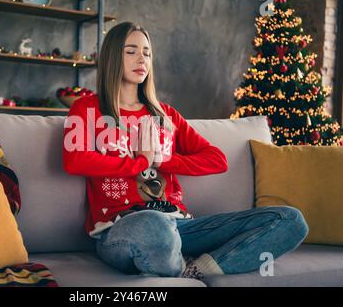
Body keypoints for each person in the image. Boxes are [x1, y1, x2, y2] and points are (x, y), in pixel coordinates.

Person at [62, 22, 309, 280]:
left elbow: (217, 160)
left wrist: (164, 160)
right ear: (113, 56)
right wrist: (140, 162)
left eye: (147, 52)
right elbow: (74, 160)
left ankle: (197, 270)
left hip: (180, 224)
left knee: (289, 219)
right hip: (122, 228)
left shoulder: (166, 115)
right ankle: (175, 263)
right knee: (152, 225)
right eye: (131, 51)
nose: (141, 59)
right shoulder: (87, 108)